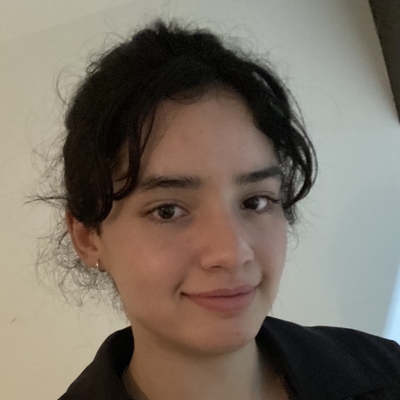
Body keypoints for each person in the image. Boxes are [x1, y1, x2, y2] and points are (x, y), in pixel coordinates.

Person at [41, 19, 400, 400]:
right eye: (167, 210)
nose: (232, 253)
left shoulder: (386, 370)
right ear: (87, 238)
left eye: (255, 201)